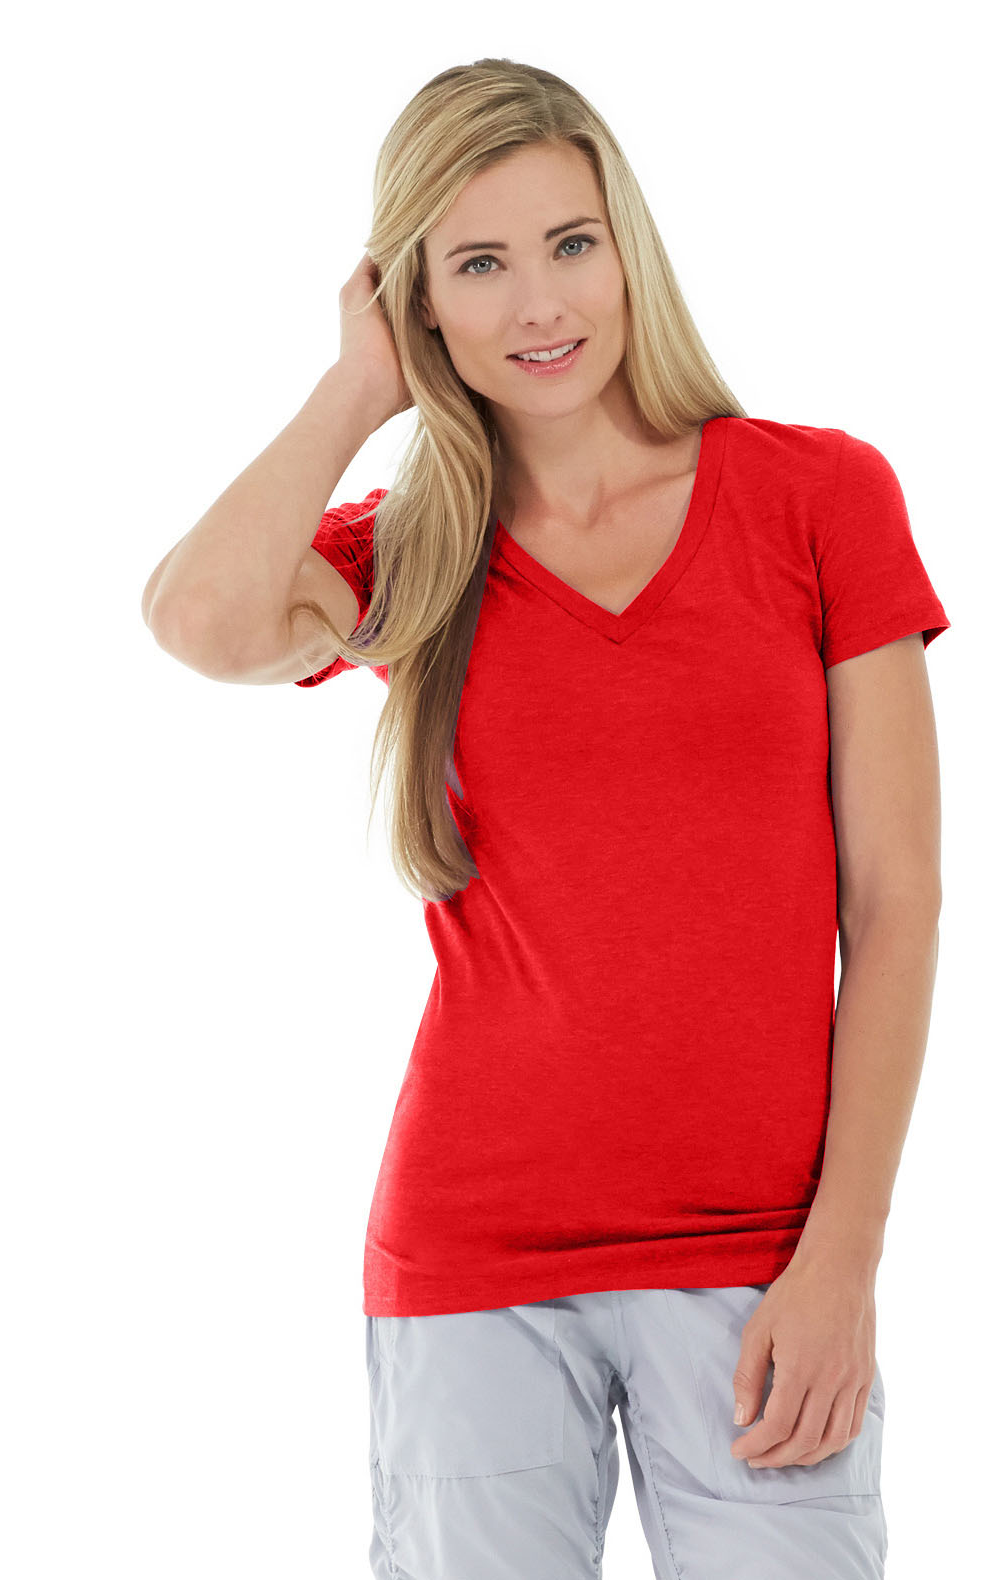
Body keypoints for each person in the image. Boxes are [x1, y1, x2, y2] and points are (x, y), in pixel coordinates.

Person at [141, 57, 950, 1580]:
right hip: (474, 1257)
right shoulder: (413, 555)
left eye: (571, 243)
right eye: (478, 264)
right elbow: (199, 619)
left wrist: (843, 1258)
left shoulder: (818, 498)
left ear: (627, 247)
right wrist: (355, 390)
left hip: (760, 1256)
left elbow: (894, 904)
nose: (538, 304)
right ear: (419, 303)